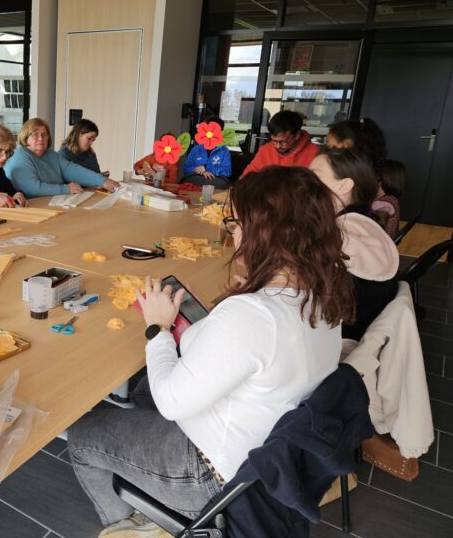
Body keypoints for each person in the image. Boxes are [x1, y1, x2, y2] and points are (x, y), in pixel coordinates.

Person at [68, 166, 353, 538]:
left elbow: (171, 401)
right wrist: (236, 300)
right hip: (264, 459)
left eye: (235, 224)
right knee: (141, 391)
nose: (231, 233)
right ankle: (147, 489)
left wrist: (157, 328)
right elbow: (244, 344)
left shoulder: (253, 315)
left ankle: (133, 527)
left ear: (263, 232)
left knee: (83, 434)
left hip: (215, 477)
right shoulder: (322, 295)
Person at [309, 148, 399, 340]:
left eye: (314, 176)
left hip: (333, 340)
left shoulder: (339, 236)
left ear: (344, 186)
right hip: (354, 333)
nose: (305, 182)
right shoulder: (365, 224)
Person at [5, 118, 119, 198]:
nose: (41, 138)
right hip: (31, 207)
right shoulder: (20, 155)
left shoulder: (51, 154)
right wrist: (66, 189)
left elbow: (73, 170)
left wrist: (102, 181)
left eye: (44, 135)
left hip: (52, 203)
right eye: (35, 134)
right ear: (25, 137)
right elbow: (32, 188)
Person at [241, 110, 319, 176]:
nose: (278, 146)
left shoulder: (316, 154)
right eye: (274, 141)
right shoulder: (266, 150)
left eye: (283, 141)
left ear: (297, 135)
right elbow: (248, 175)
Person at [181, 116, 232, 188]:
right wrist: (198, 170)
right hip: (196, 181)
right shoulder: (196, 149)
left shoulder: (224, 151)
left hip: (215, 183)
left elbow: (227, 172)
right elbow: (185, 168)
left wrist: (207, 168)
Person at [372, 159, 406, 240]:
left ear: (379, 180)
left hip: (378, 247)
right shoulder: (392, 199)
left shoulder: (379, 204)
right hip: (388, 246)